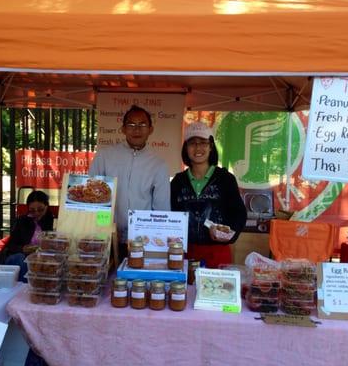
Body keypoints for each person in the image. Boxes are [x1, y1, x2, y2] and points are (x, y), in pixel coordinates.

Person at [89, 105, 170, 260]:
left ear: (151, 129)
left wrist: (158, 239)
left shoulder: (158, 164)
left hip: (142, 242)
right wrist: (101, 229)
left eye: (142, 125)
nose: (137, 130)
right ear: (123, 129)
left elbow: (162, 207)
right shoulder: (105, 156)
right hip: (106, 237)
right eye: (131, 125)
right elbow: (93, 197)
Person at [170, 121, 247, 268]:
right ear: (185, 148)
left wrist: (227, 235)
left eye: (203, 143)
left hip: (217, 254)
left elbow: (239, 214)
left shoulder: (225, 179)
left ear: (211, 146)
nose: (198, 148)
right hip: (184, 253)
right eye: (192, 143)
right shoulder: (178, 181)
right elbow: (169, 213)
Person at [4, 190, 54, 281]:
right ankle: (24, 288)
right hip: (21, 257)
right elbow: (11, 245)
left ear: (47, 206)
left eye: (40, 209)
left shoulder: (52, 221)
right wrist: (23, 249)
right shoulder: (22, 220)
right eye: (32, 210)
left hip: (42, 258)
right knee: (21, 259)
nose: (36, 213)